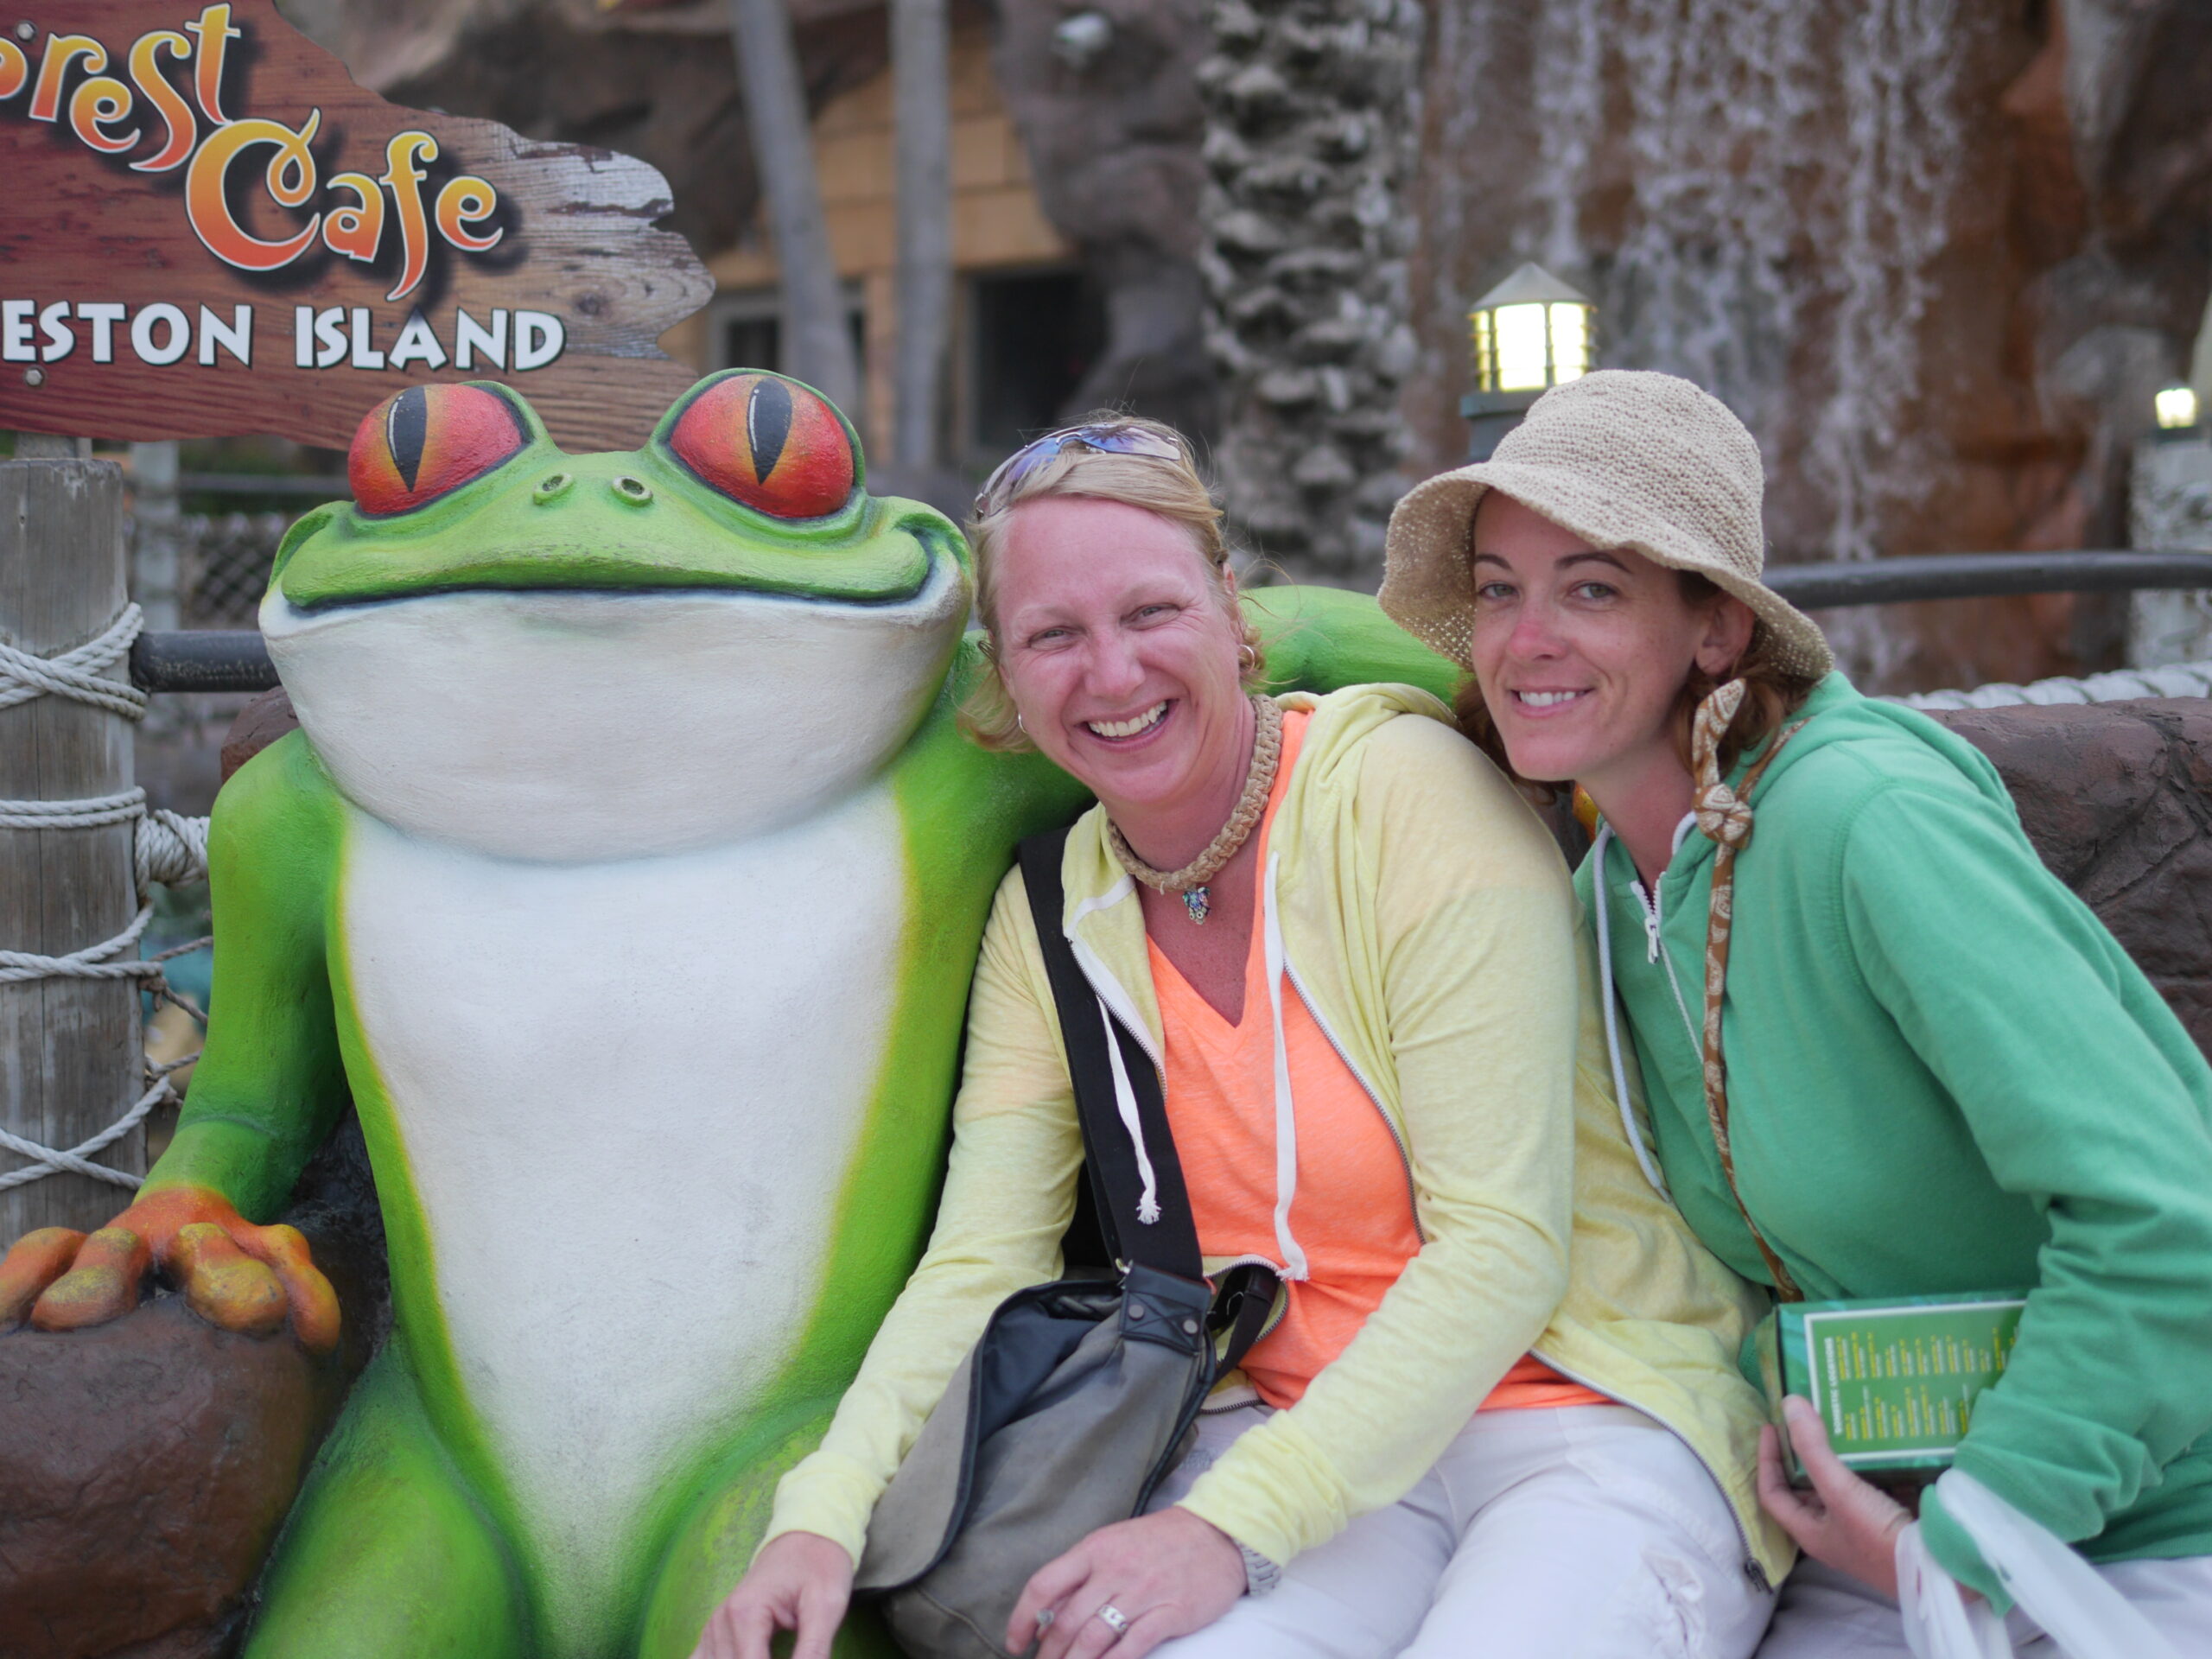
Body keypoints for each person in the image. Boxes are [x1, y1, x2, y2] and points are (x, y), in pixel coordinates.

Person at [692, 416, 1789, 1659]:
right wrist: (819, 1521)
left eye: (1151, 613)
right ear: (1005, 667)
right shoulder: (1053, 908)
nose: (1111, 674)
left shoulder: (1402, 795)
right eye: (1055, 635)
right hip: (1291, 1441)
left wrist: (1223, 1533)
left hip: (1584, 1423)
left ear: (1230, 610)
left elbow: (1505, 1248)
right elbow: (977, 1263)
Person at [1378, 368, 2212, 1656]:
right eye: (1500, 588)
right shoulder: (1607, 895)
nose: (1523, 637)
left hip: (2139, 1530)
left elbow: (2167, 1212)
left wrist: (1973, 1544)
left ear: (1716, 632)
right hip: (1877, 1533)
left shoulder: (1862, 822)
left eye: (1590, 588)